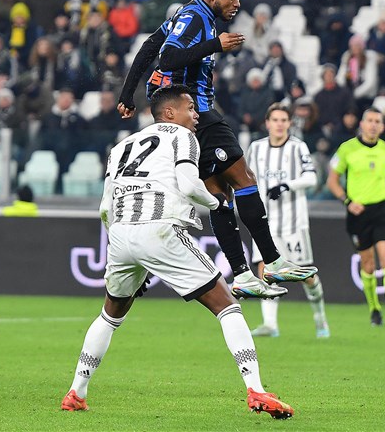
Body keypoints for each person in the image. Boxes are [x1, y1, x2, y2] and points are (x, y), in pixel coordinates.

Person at [61, 85, 294, 419]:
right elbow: (187, 184)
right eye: (189, 107)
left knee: (110, 315)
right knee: (227, 305)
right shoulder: (184, 138)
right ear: (169, 113)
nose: (196, 114)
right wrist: (216, 202)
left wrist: (124, 249)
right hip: (160, 228)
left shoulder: (121, 146)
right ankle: (256, 390)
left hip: (121, 234)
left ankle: (76, 392)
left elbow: (104, 208)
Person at [117, 0, 315, 299]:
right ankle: (273, 260)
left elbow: (151, 45)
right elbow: (167, 58)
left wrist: (127, 95)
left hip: (188, 114)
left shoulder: (190, 14)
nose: (237, 4)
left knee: (217, 194)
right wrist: (215, 45)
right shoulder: (196, 17)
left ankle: (241, 274)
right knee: (244, 179)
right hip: (196, 112)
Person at [245, 103, 329, 339]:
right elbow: (245, 178)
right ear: (267, 123)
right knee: (265, 270)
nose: (280, 124)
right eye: (275, 120)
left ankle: (319, 316)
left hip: (293, 222)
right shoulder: (256, 148)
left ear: (289, 123)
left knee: (305, 275)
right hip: (265, 222)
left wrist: (286, 185)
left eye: (284, 120)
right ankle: (270, 324)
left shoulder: (297, 147)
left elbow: (311, 177)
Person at [325, 108, 385, 327]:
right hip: (358, 214)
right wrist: (348, 202)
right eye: (369, 120)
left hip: (381, 210)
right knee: (368, 264)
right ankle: (374, 308)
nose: (373, 125)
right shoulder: (347, 149)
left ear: (382, 126)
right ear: (362, 124)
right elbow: (332, 180)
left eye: (377, 121)